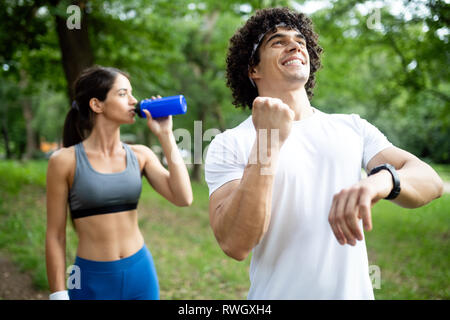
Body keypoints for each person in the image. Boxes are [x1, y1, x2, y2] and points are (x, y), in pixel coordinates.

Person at [205, 7, 443, 299]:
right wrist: (267, 142)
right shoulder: (230, 143)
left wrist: (379, 181)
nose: (295, 45)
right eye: (277, 41)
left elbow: (431, 182)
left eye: (300, 40)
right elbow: (235, 243)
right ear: (253, 69)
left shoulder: (351, 127)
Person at [45, 66, 193, 300]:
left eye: (131, 93)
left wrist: (166, 135)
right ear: (97, 104)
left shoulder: (140, 155)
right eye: (123, 94)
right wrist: (58, 294)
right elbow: (55, 235)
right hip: (90, 278)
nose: (134, 101)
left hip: (140, 273)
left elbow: (184, 197)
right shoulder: (64, 161)